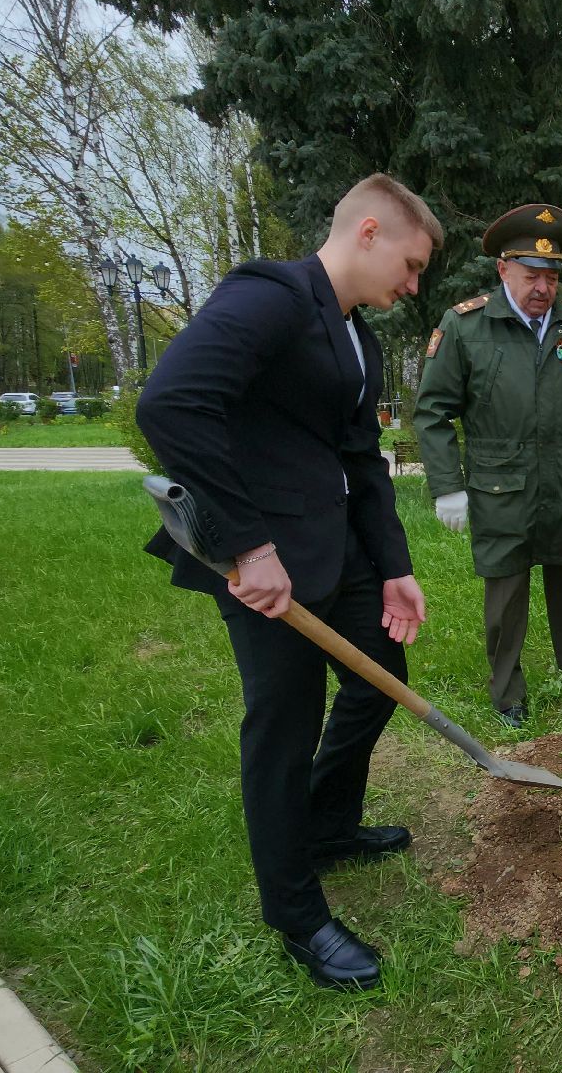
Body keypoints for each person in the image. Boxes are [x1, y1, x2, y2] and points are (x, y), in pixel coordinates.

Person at [137, 173, 442, 988]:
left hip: (336, 552)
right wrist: (247, 545)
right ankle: (297, 913)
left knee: (380, 677)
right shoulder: (271, 295)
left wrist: (395, 569)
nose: (413, 287)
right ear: (369, 231)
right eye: (411, 266)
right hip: (261, 566)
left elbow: (359, 463)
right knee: (284, 725)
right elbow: (171, 403)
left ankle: (327, 822)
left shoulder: (356, 339)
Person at [412, 203, 562, 729]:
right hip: (500, 487)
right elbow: (433, 411)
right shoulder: (465, 328)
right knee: (505, 592)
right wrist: (447, 486)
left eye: (551, 277)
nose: (543, 288)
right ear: (503, 270)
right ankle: (507, 691)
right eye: (531, 275)